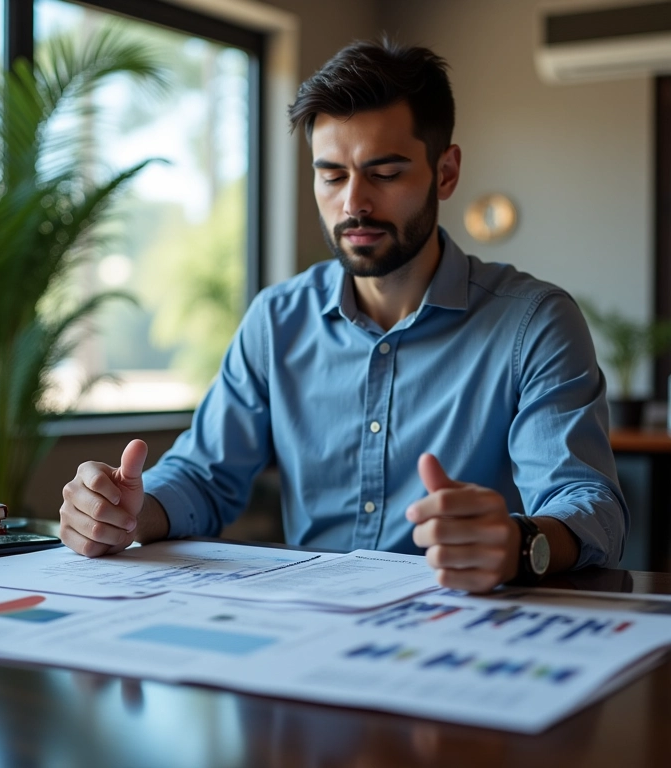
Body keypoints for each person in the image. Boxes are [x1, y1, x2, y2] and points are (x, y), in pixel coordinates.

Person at [60, 40, 628, 592]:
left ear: (446, 172)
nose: (353, 202)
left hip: (467, 628)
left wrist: (519, 543)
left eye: (384, 174)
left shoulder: (535, 323)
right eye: (331, 175)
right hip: (310, 631)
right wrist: (127, 513)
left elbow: (588, 506)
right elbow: (203, 477)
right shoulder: (276, 321)